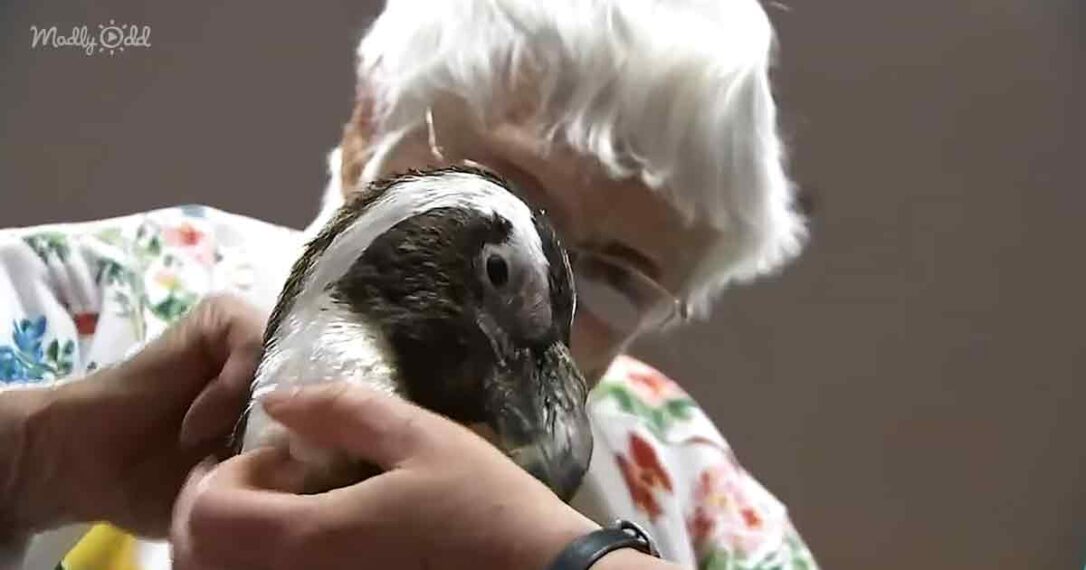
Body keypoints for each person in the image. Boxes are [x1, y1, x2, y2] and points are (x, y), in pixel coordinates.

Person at [0, 0, 817, 568]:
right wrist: (34, 456)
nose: (551, 313)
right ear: (368, 127)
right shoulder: (79, 304)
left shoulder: (683, 482)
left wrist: (561, 558)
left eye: (614, 279)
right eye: (510, 200)